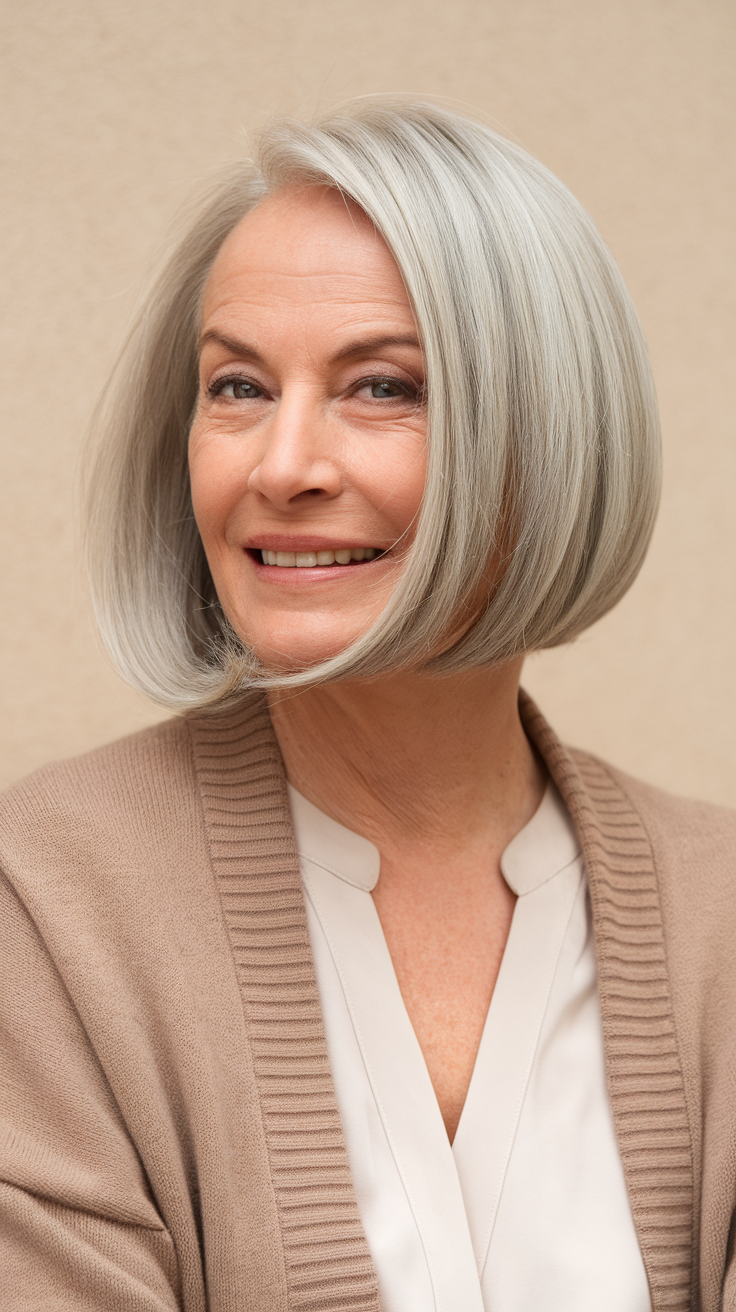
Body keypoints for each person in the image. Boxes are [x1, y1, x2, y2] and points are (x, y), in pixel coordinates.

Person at [1, 98, 734, 1312]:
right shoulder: (45, 905)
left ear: (544, 436)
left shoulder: (718, 914)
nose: (281, 466)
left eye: (382, 386)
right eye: (236, 387)